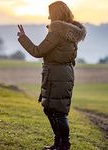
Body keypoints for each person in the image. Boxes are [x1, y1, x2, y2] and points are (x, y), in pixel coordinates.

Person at [17, 1, 86, 150]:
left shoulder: (57, 32)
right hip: (63, 74)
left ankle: (64, 145)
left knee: (57, 112)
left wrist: (23, 37)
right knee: (52, 110)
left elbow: (37, 51)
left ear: (55, 14)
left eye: (50, 14)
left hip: (56, 76)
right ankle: (59, 144)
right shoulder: (71, 31)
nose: (48, 17)